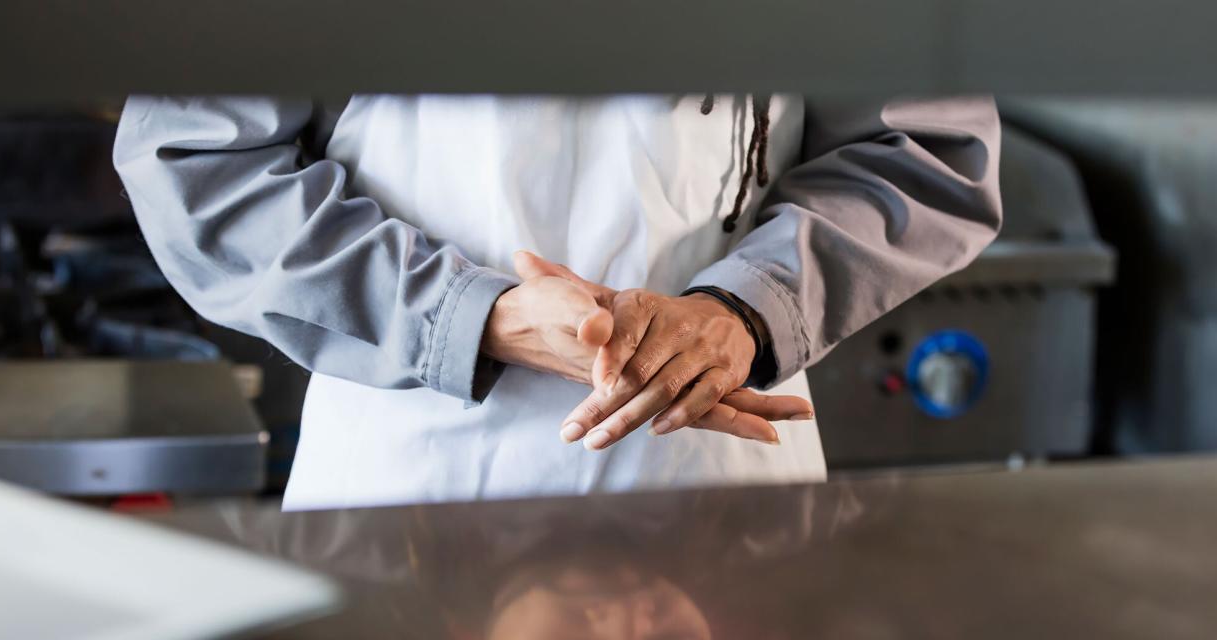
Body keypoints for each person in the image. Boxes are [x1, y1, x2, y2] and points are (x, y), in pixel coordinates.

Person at [113, 95, 1001, 508]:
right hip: (415, 495)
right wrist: (469, 316)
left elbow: (921, 148)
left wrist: (742, 313)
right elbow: (197, 165)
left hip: (718, 483)